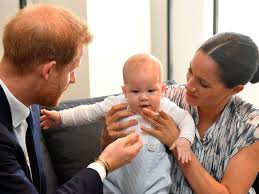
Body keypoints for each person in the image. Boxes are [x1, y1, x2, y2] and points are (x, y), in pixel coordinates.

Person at [0, 4, 143, 194]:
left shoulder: (30, 102)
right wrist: (103, 164)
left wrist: (106, 147)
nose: (73, 79)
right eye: (71, 70)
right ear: (49, 71)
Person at [102, 32, 259, 194]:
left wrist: (177, 144)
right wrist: (108, 137)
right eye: (190, 71)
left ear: (235, 89)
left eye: (203, 84)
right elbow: (120, 159)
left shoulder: (250, 128)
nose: (189, 86)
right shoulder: (165, 99)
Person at [40, 53, 196, 193]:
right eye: (135, 91)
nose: (143, 97)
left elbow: (186, 119)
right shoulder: (117, 104)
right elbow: (89, 112)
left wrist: (184, 140)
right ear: (125, 90)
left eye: (151, 91)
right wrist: (60, 117)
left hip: (154, 186)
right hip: (116, 184)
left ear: (162, 90)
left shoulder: (166, 106)